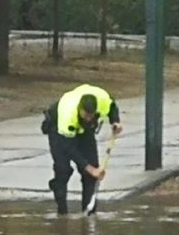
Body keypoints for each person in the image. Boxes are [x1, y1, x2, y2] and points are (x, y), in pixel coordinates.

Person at [42, 84, 123, 215]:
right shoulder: (67, 115)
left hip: (84, 131)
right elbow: (69, 148)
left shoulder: (101, 99)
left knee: (91, 176)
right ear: (80, 109)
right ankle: (62, 213)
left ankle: (89, 213)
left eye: (91, 116)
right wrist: (89, 168)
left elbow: (112, 106)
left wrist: (115, 121)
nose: (89, 118)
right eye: (86, 116)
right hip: (58, 130)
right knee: (63, 170)